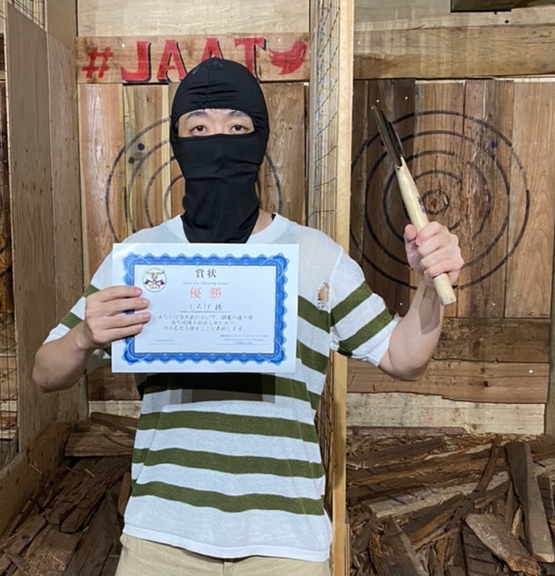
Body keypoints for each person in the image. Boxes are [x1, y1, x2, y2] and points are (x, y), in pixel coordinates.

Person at [32, 58, 464, 575]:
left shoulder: (316, 256)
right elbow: (45, 371)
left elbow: (403, 357)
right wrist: (84, 335)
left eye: (237, 127)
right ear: (177, 143)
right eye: (199, 128)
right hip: (162, 536)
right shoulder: (139, 260)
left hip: (285, 542)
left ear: (260, 140)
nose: (218, 141)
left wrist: (429, 286)